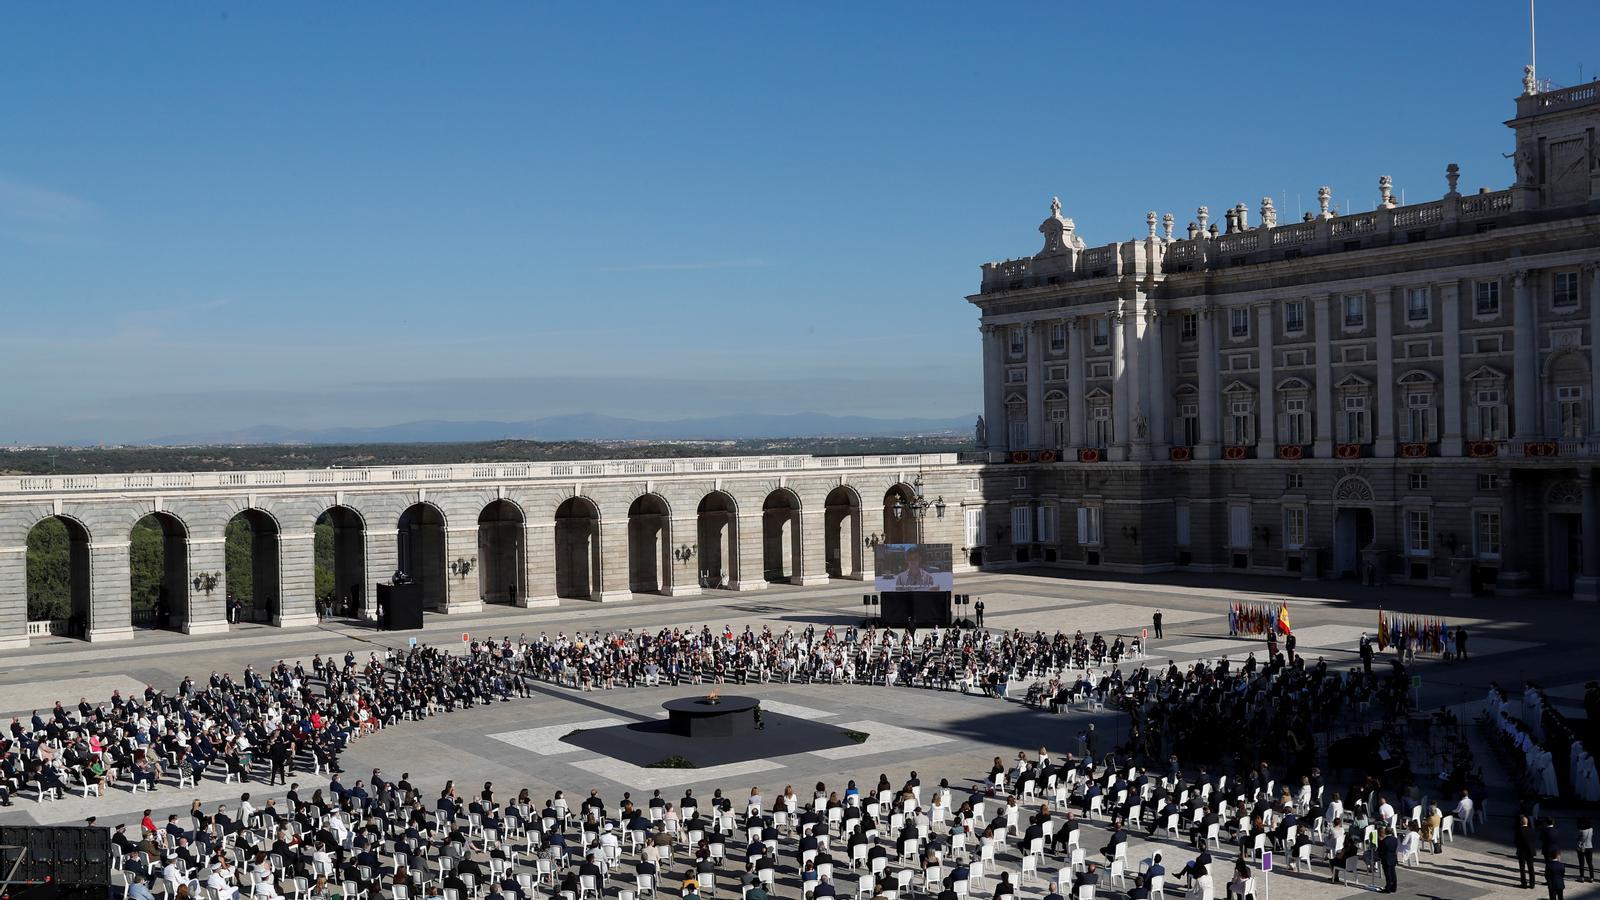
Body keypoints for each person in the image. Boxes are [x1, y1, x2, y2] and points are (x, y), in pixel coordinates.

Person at [1517, 815, 1540, 888]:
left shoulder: (1519, 831)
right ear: (1527, 822)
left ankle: (1524, 884)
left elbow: (1516, 842)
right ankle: (1532, 884)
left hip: (1521, 852)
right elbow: (1534, 840)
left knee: (1522, 869)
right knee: (1531, 868)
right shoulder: (1532, 830)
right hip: (1530, 851)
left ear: (1521, 822)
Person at [1377, 825, 1399, 894]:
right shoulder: (1395, 839)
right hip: (1393, 858)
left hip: (1386, 859)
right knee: (1393, 874)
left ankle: (1388, 888)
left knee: (1388, 875)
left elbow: (1381, 851)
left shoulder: (1384, 841)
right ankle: (1394, 887)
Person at [1577, 817, 1594, 883]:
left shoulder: (1580, 831)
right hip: (1589, 847)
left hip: (1581, 848)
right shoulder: (1591, 829)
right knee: (1590, 863)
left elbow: (1578, 839)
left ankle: (1582, 877)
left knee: (1581, 863)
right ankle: (1591, 877)